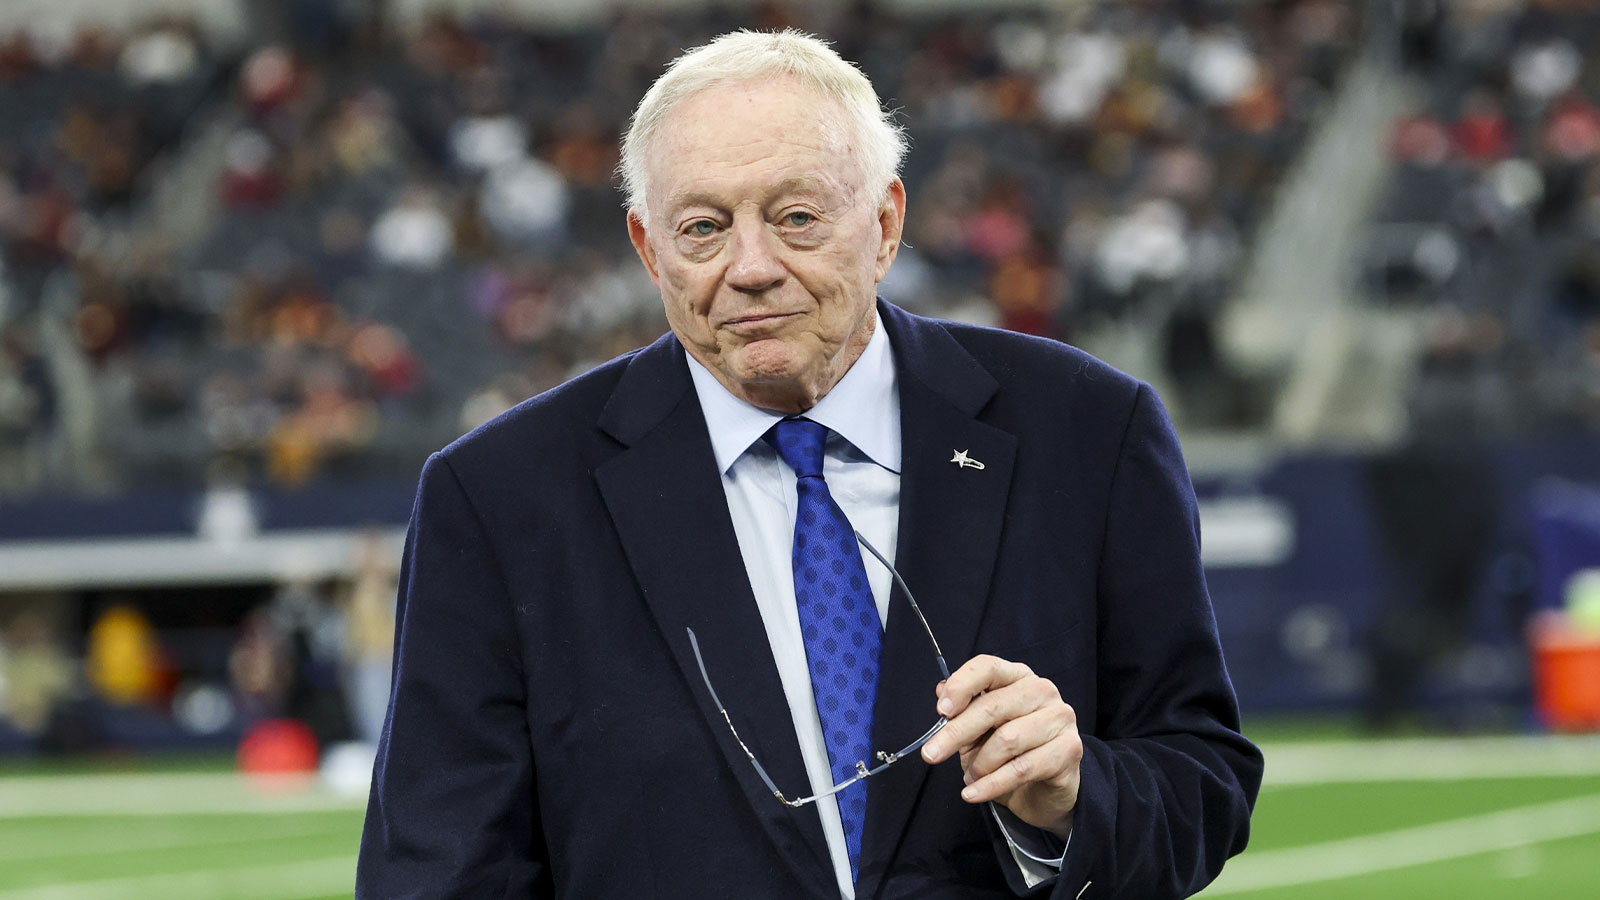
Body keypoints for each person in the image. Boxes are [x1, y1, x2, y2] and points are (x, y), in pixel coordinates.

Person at [357, 30, 1260, 900]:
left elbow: (1203, 783)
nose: (752, 267)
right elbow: (439, 872)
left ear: (886, 223)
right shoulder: (498, 498)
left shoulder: (1089, 431)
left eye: (797, 217)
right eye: (703, 228)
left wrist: (1073, 795)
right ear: (648, 250)